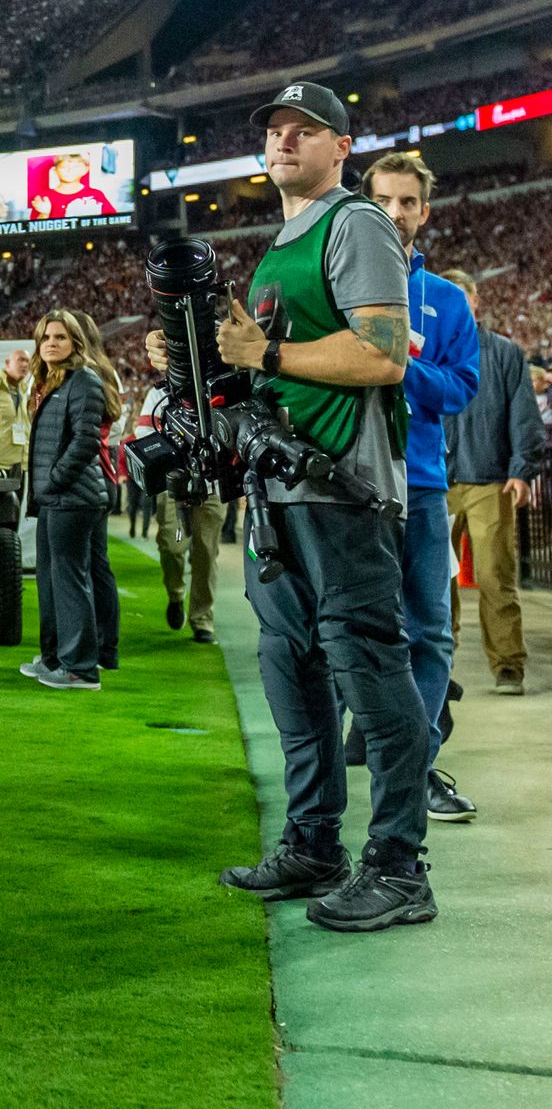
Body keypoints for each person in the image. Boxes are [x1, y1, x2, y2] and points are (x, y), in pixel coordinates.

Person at [157, 82, 430, 934]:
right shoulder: (282, 242)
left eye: (302, 130)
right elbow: (278, 372)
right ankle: (315, 844)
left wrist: (264, 348)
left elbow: (384, 356)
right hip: (281, 489)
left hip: (343, 488)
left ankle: (400, 867)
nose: (282, 141)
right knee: (293, 675)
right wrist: (209, 365)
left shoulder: (356, 224)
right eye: (274, 131)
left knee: (370, 675)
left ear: (340, 146)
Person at [363, 153, 479, 824]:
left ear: (424, 211)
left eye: (407, 203)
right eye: (384, 201)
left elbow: (461, 389)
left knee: (431, 634)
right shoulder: (336, 288)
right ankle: (363, 757)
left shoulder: (447, 300)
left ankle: (418, 767)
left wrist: (399, 363)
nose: (396, 214)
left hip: (425, 487)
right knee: (354, 631)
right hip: (352, 484)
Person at [442, 270, 540, 696]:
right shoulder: (428, 352)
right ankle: (438, 668)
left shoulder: (503, 353)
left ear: (476, 301)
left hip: (490, 481)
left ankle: (508, 667)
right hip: (436, 483)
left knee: (496, 575)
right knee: (435, 583)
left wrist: (521, 471)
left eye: (462, 298)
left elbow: (524, 415)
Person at [18, 312, 114, 691]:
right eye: (45, 337)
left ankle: (80, 668)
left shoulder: (84, 381)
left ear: (75, 341)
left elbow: (86, 440)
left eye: (60, 337)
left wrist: (55, 479)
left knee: (70, 579)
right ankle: (56, 658)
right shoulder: (54, 382)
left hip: (73, 498)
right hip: (55, 498)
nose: (51, 343)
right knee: (50, 578)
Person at [133, 383, 222, 644]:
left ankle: (202, 619)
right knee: (172, 546)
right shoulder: (160, 392)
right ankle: (175, 593)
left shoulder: (218, 388)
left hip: (211, 486)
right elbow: (143, 432)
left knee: (206, 551)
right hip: (175, 486)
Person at [69, 309, 123, 671]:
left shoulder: (77, 376)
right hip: (105, 474)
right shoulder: (109, 374)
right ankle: (107, 648)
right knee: (98, 564)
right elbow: (115, 433)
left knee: (73, 566)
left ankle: (82, 649)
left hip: (81, 476)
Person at [0, 347, 31, 474]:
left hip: (21, 462)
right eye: (20, 360)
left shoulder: (23, 389)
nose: (25, 365)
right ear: (7, 363)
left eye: (27, 362)